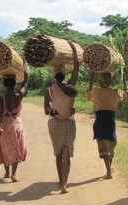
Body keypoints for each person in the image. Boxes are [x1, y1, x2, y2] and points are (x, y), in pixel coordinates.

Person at [44, 41, 79, 193]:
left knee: (58, 154)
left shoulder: (49, 91)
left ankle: (59, 181)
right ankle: (65, 183)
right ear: (65, 74)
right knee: (67, 155)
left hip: (54, 124)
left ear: (54, 74)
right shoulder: (70, 87)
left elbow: (46, 109)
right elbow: (77, 68)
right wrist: (74, 50)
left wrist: (53, 112)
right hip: (69, 124)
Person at [86, 69, 128, 179]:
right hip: (111, 121)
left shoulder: (95, 92)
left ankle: (109, 171)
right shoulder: (115, 92)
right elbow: (127, 94)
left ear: (99, 81)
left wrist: (90, 79)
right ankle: (109, 169)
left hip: (100, 121)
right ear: (110, 82)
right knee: (111, 146)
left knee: (103, 147)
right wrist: (124, 81)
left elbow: (88, 94)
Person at [0, 61, 29, 182]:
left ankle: (7, 173)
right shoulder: (19, 95)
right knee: (16, 148)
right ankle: (14, 173)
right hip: (16, 124)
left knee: (5, 148)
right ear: (15, 83)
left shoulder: (0, 98)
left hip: (4, 124)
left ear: (4, 85)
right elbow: (25, 84)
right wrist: (26, 71)